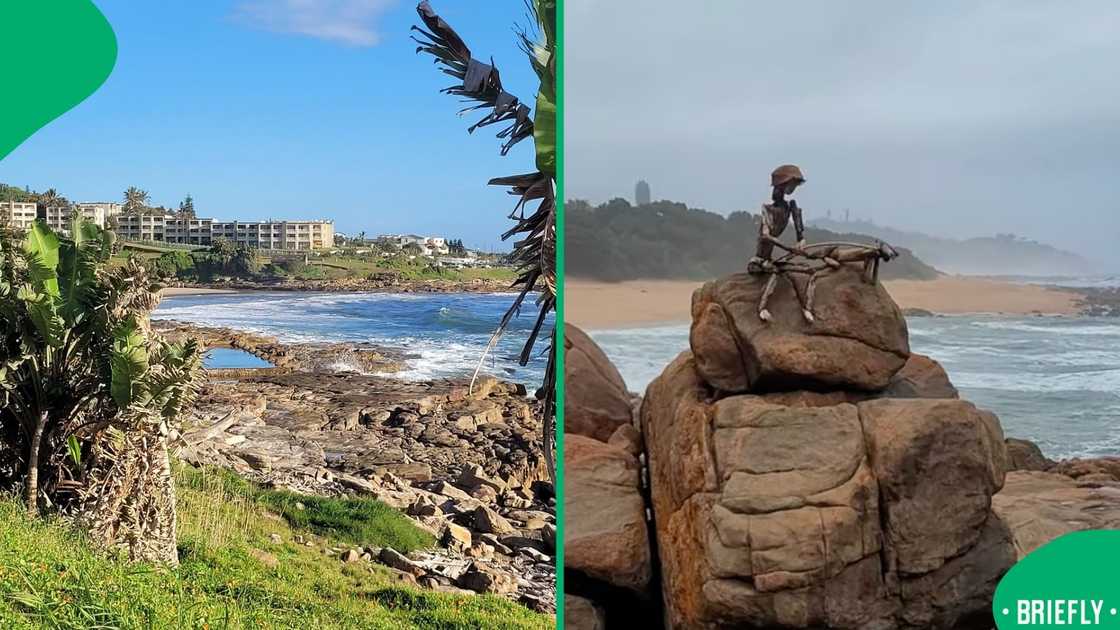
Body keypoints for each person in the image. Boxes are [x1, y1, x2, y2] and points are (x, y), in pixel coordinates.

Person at [747, 164, 807, 273]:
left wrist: (801, 240)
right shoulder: (767, 209)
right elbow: (766, 236)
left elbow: (798, 225)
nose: (793, 187)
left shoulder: (790, 206)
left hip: (771, 261)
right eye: (791, 184)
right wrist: (788, 248)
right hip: (760, 261)